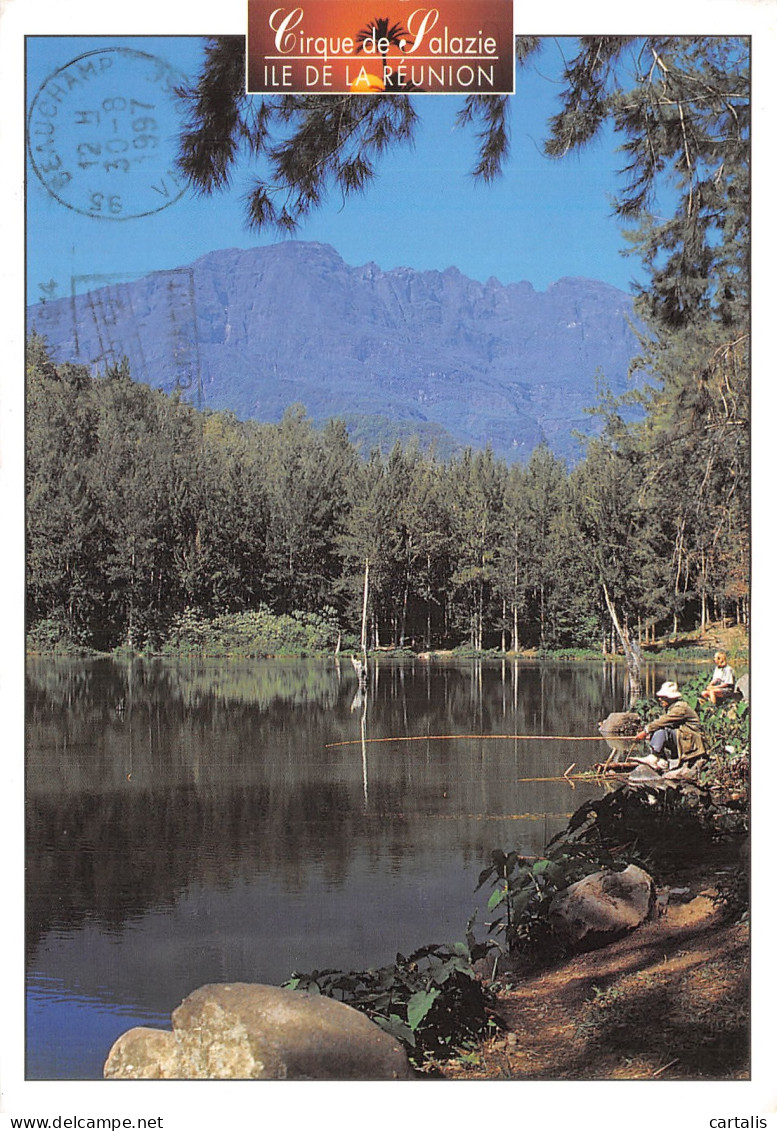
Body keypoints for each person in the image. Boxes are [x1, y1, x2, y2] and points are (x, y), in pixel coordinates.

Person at [634, 681, 707, 768]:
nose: (660, 699)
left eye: (663, 697)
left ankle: (654, 757)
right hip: (684, 739)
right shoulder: (672, 707)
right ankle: (661, 759)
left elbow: (663, 721)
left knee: (661, 730)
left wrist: (646, 731)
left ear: (671, 698)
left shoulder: (680, 708)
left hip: (691, 741)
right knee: (657, 731)